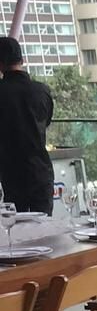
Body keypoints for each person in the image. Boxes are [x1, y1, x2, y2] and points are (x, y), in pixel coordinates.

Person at [0, 36, 55, 214]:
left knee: (16, 225)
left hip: (11, 171)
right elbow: (45, 122)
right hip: (40, 170)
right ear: (22, 60)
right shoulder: (41, 90)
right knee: (44, 223)